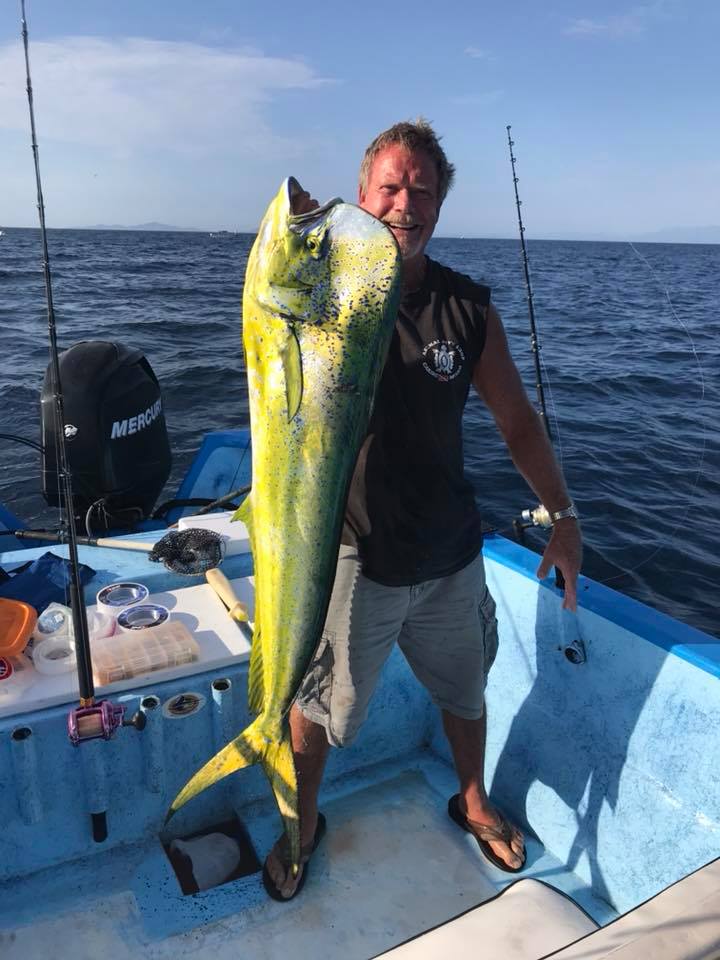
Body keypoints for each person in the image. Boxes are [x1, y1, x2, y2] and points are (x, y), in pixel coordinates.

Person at [263, 119, 583, 901]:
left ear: (439, 205)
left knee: (465, 693)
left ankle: (471, 798)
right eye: (391, 187)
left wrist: (565, 517)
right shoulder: (323, 301)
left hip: (450, 553)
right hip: (352, 551)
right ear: (361, 194)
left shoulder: (467, 308)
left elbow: (517, 421)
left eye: (423, 191)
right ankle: (303, 819)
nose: (405, 203)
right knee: (318, 708)